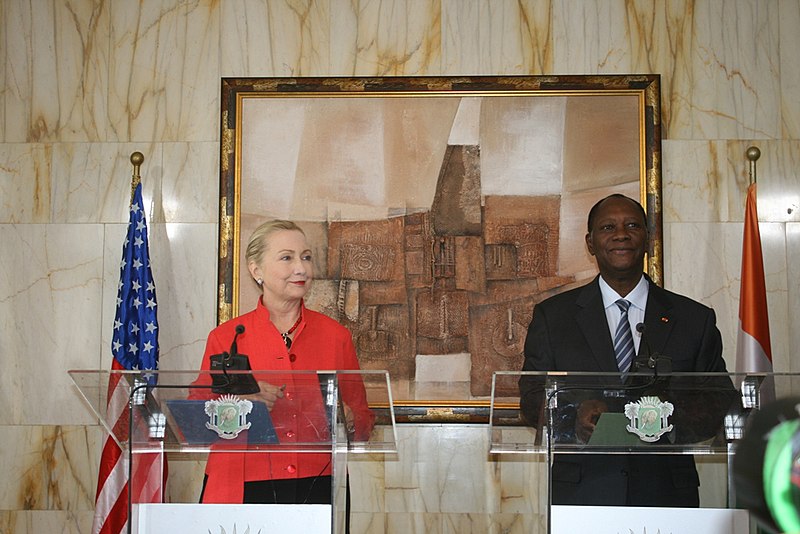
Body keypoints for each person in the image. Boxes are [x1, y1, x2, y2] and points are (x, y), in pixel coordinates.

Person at [519, 193, 729, 507]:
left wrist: (666, 416)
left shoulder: (693, 319)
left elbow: (719, 399)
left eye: (632, 225)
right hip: (583, 493)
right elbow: (531, 395)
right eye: (608, 227)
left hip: (666, 494)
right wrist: (573, 413)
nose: (621, 234)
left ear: (647, 238)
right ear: (590, 243)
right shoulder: (554, 317)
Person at [190, 219, 374, 506]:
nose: (301, 268)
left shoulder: (336, 336)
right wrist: (242, 405)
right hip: (243, 484)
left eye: (306, 257)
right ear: (256, 270)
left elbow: (363, 423)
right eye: (287, 258)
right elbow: (195, 421)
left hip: (317, 484)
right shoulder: (225, 337)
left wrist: (347, 418)